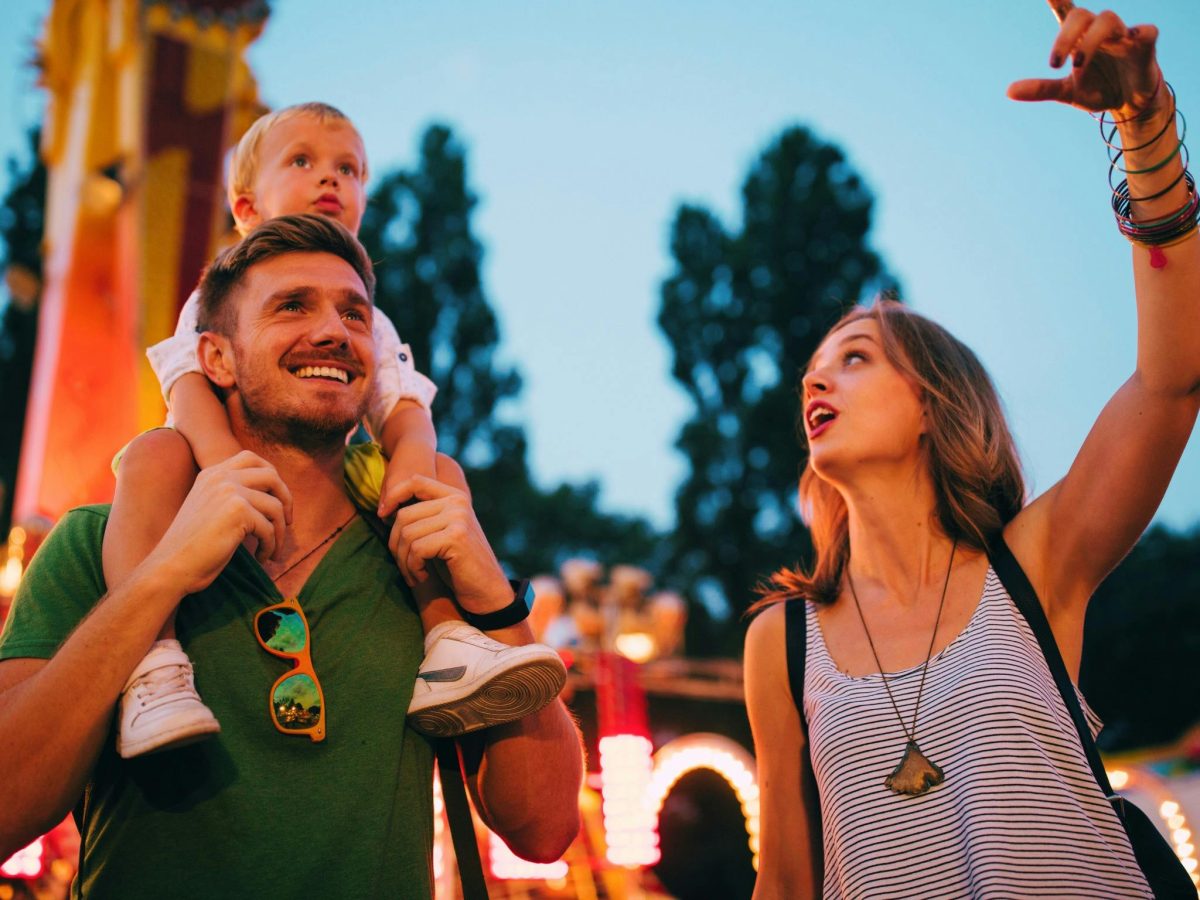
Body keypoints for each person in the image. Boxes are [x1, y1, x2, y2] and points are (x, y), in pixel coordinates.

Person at [744, 4, 1199, 897]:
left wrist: (1145, 132)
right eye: (812, 369)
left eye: (856, 357)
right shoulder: (782, 645)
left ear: (931, 407)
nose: (814, 383)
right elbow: (788, 883)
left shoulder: (1036, 567)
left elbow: (1173, 380)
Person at [0, 213, 584, 897]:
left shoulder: (428, 559)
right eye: (292, 307)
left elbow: (543, 831)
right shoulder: (96, 543)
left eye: (355, 315)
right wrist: (162, 576)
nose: (334, 331)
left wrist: (494, 598)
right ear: (216, 358)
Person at [103, 102, 564, 758]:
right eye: (303, 162)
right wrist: (226, 465)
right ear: (244, 208)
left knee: (434, 483)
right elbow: (185, 385)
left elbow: (401, 403)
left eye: (349, 170)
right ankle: (153, 664)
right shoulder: (220, 291)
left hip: (328, 477)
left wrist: (409, 464)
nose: (331, 180)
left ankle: (447, 640)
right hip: (214, 465)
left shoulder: (369, 316)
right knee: (152, 455)